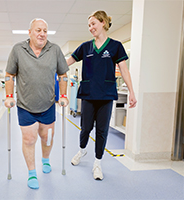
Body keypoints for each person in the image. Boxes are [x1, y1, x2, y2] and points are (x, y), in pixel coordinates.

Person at [66, 10, 137, 180]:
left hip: (105, 96)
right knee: (85, 129)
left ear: (103, 23)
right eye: (89, 25)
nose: (90, 28)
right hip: (89, 95)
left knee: (102, 131)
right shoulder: (85, 47)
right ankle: (82, 150)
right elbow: (67, 62)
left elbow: (124, 70)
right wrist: (49, 65)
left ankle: (97, 163)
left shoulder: (115, 46)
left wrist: (132, 91)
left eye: (93, 24)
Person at [4, 18, 69, 189]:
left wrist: (63, 95)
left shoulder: (54, 50)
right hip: (25, 105)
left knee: (47, 137)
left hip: (47, 104)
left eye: (45, 31)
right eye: (38, 30)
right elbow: (9, 75)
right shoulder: (18, 49)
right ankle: (32, 173)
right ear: (30, 32)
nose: (42, 34)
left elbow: (63, 75)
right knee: (29, 138)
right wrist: (9, 95)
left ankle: (45, 160)